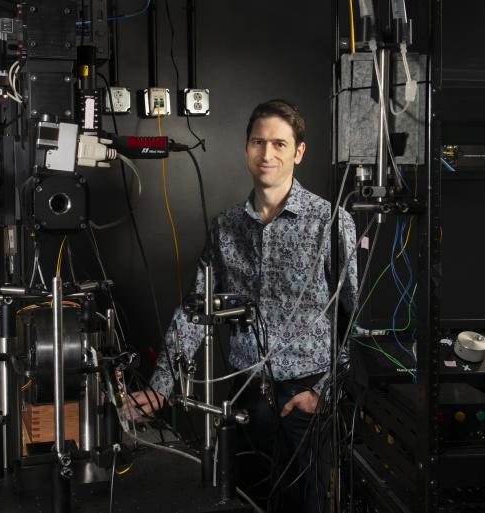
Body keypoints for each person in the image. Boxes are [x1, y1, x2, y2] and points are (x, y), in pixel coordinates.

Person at [127, 99, 357, 511]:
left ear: (299, 152)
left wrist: (323, 393)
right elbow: (196, 310)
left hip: (305, 400)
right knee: (244, 503)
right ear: (246, 148)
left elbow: (352, 316)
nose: (267, 154)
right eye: (258, 142)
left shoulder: (330, 222)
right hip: (245, 397)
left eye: (279, 144)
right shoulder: (226, 226)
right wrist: (161, 386)